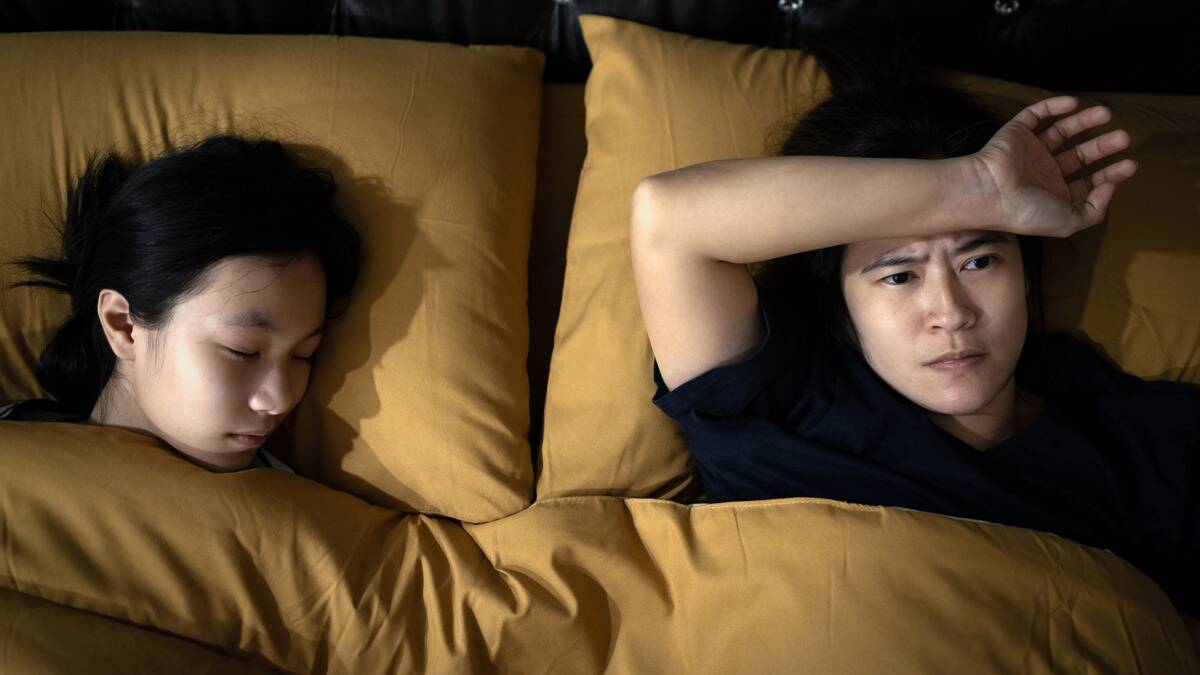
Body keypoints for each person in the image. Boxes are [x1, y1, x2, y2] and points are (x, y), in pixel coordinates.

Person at [630, 81, 1200, 645]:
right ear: (841, 301)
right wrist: (980, 185)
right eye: (899, 275)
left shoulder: (1142, 444)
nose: (950, 313)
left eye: (979, 261)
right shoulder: (776, 409)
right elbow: (668, 219)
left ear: (1025, 275)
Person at [2, 134, 361, 473]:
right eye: (244, 351)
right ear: (123, 325)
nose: (280, 399)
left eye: (303, 355)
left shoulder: (297, 518)